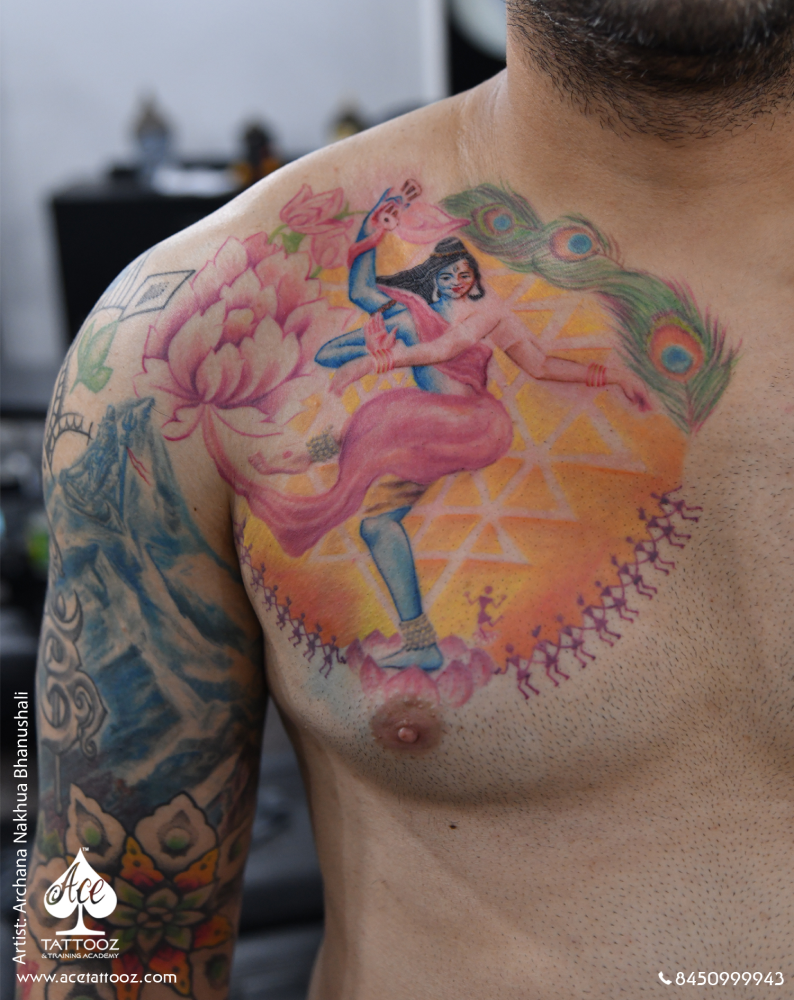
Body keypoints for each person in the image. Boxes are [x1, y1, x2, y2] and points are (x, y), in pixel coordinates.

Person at [30, 2, 793, 999]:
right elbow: (105, 948)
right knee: (373, 503)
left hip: (459, 422)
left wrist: (589, 374)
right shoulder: (166, 346)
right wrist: (375, 278)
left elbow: (529, 359)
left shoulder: (459, 320)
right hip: (426, 421)